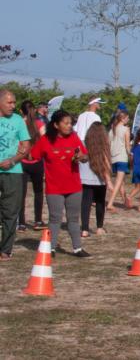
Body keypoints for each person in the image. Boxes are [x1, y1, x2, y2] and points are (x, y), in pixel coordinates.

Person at [30, 110, 90, 257]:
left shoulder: (74, 137)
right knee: (55, 218)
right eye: (66, 123)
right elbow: (33, 155)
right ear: (56, 125)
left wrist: (81, 157)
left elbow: (85, 156)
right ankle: (50, 248)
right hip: (54, 188)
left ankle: (77, 248)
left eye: (71, 123)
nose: (70, 126)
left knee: (74, 219)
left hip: (74, 187)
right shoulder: (45, 140)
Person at [0, 89, 31, 260]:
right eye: (9, 102)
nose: (13, 106)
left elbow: (25, 147)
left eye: (14, 102)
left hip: (13, 171)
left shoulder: (18, 120)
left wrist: (12, 160)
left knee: (10, 211)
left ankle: (5, 249)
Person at [18, 100, 46, 231]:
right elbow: (45, 141)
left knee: (21, 194)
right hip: (37, 162)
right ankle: (38, 221)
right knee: (38, 192)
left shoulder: (19, 123)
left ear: (21, 111)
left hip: (21, 162)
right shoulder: (39, 124)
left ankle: (21, 223)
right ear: (34, 110)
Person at [80, 122, 110, 237]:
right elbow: (106, 163)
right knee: (100, 202)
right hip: (100, 178)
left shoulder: (83, 144)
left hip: (85, 178)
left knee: (85, 203)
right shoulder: (104, 147)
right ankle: (99, 227)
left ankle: (85, 229)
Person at [106, 110, 131, 211]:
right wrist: (131, 155)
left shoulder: (111, 130)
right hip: (121, 157)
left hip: (113, 158)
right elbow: (127, 146)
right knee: (118, 182)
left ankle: (124, 201)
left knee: (120, 182)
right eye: (127, 118)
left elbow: (108, 145)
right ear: (122, 118)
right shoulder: (125, 129)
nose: (128, 120)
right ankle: (110, 203)